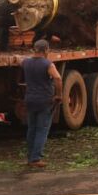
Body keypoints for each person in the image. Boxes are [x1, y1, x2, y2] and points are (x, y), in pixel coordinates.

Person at [22, 39, 62, 168]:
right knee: (42, 130)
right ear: (46, 50)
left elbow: (20, 61)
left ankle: (30, 157)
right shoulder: (47, 64)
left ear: (35, 49)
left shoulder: (26, 62)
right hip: (44, 100)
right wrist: (58, 95)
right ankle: (35, 159)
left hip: (30, 100)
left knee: (31, 129)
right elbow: (57, 78)